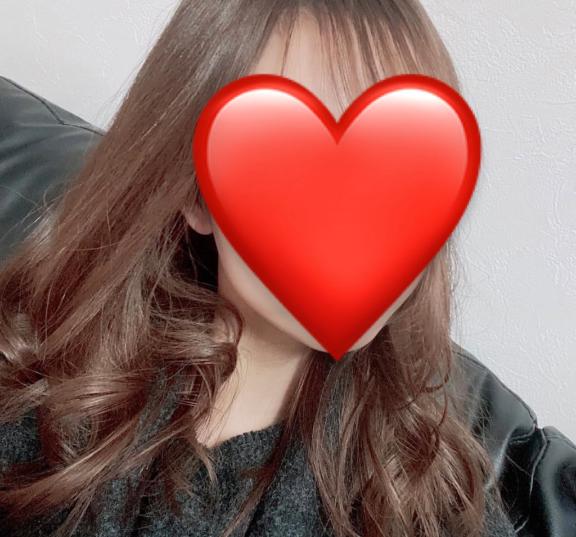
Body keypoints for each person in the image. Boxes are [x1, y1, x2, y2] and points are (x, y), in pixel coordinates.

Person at [0, 1, 520, 536]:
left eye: (403, 170)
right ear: (196, 194)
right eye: (288, 163)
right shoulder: (36, 399)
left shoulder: (434, 496)